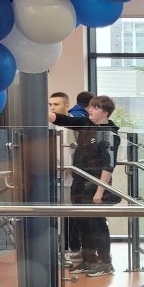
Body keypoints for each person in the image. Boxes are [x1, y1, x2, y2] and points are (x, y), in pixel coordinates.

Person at [49, 95, 121, 277]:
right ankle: (89, 260)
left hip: (94, 185)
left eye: (95, 108)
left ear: (105, 113)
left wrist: (99, 191)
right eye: (90, 107)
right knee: (82, 223)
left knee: (97, 224)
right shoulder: (85, 124)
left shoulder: (110, 132)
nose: (90, 110)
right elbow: (60, 119)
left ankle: (105, 263)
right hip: (79, 183)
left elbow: (109, 164)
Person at [50, 92, 81, 260]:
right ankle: (58, 247)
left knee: (70, 214)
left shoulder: (73, 127)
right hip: (52, 177)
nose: (53, 108)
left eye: (56, 104)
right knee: (55, 213)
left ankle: (72, 248)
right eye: (50, 105)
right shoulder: (49, 127)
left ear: (66, 106)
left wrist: (72, 169)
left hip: (70, 177)